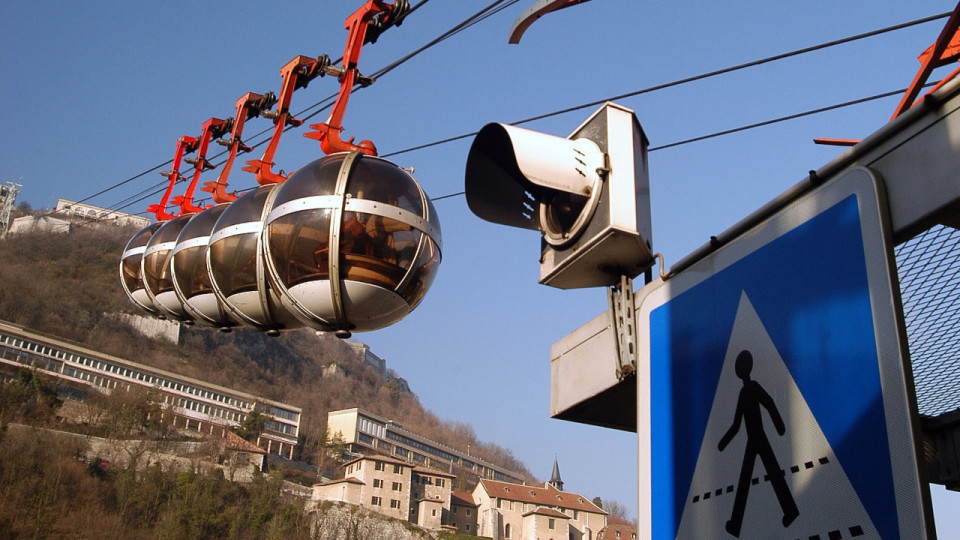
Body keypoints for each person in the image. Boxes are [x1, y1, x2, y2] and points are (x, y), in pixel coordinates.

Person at [718, 350, 799, 538]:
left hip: (758, 437)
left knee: (762, 476)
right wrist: (723, 443)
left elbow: (769, 402)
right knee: (754, 477)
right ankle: (737, 524)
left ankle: (738, 523)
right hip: (753, 439)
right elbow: (737, 424)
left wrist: (779, 426)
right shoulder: (743, 392)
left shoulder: (753, 387)